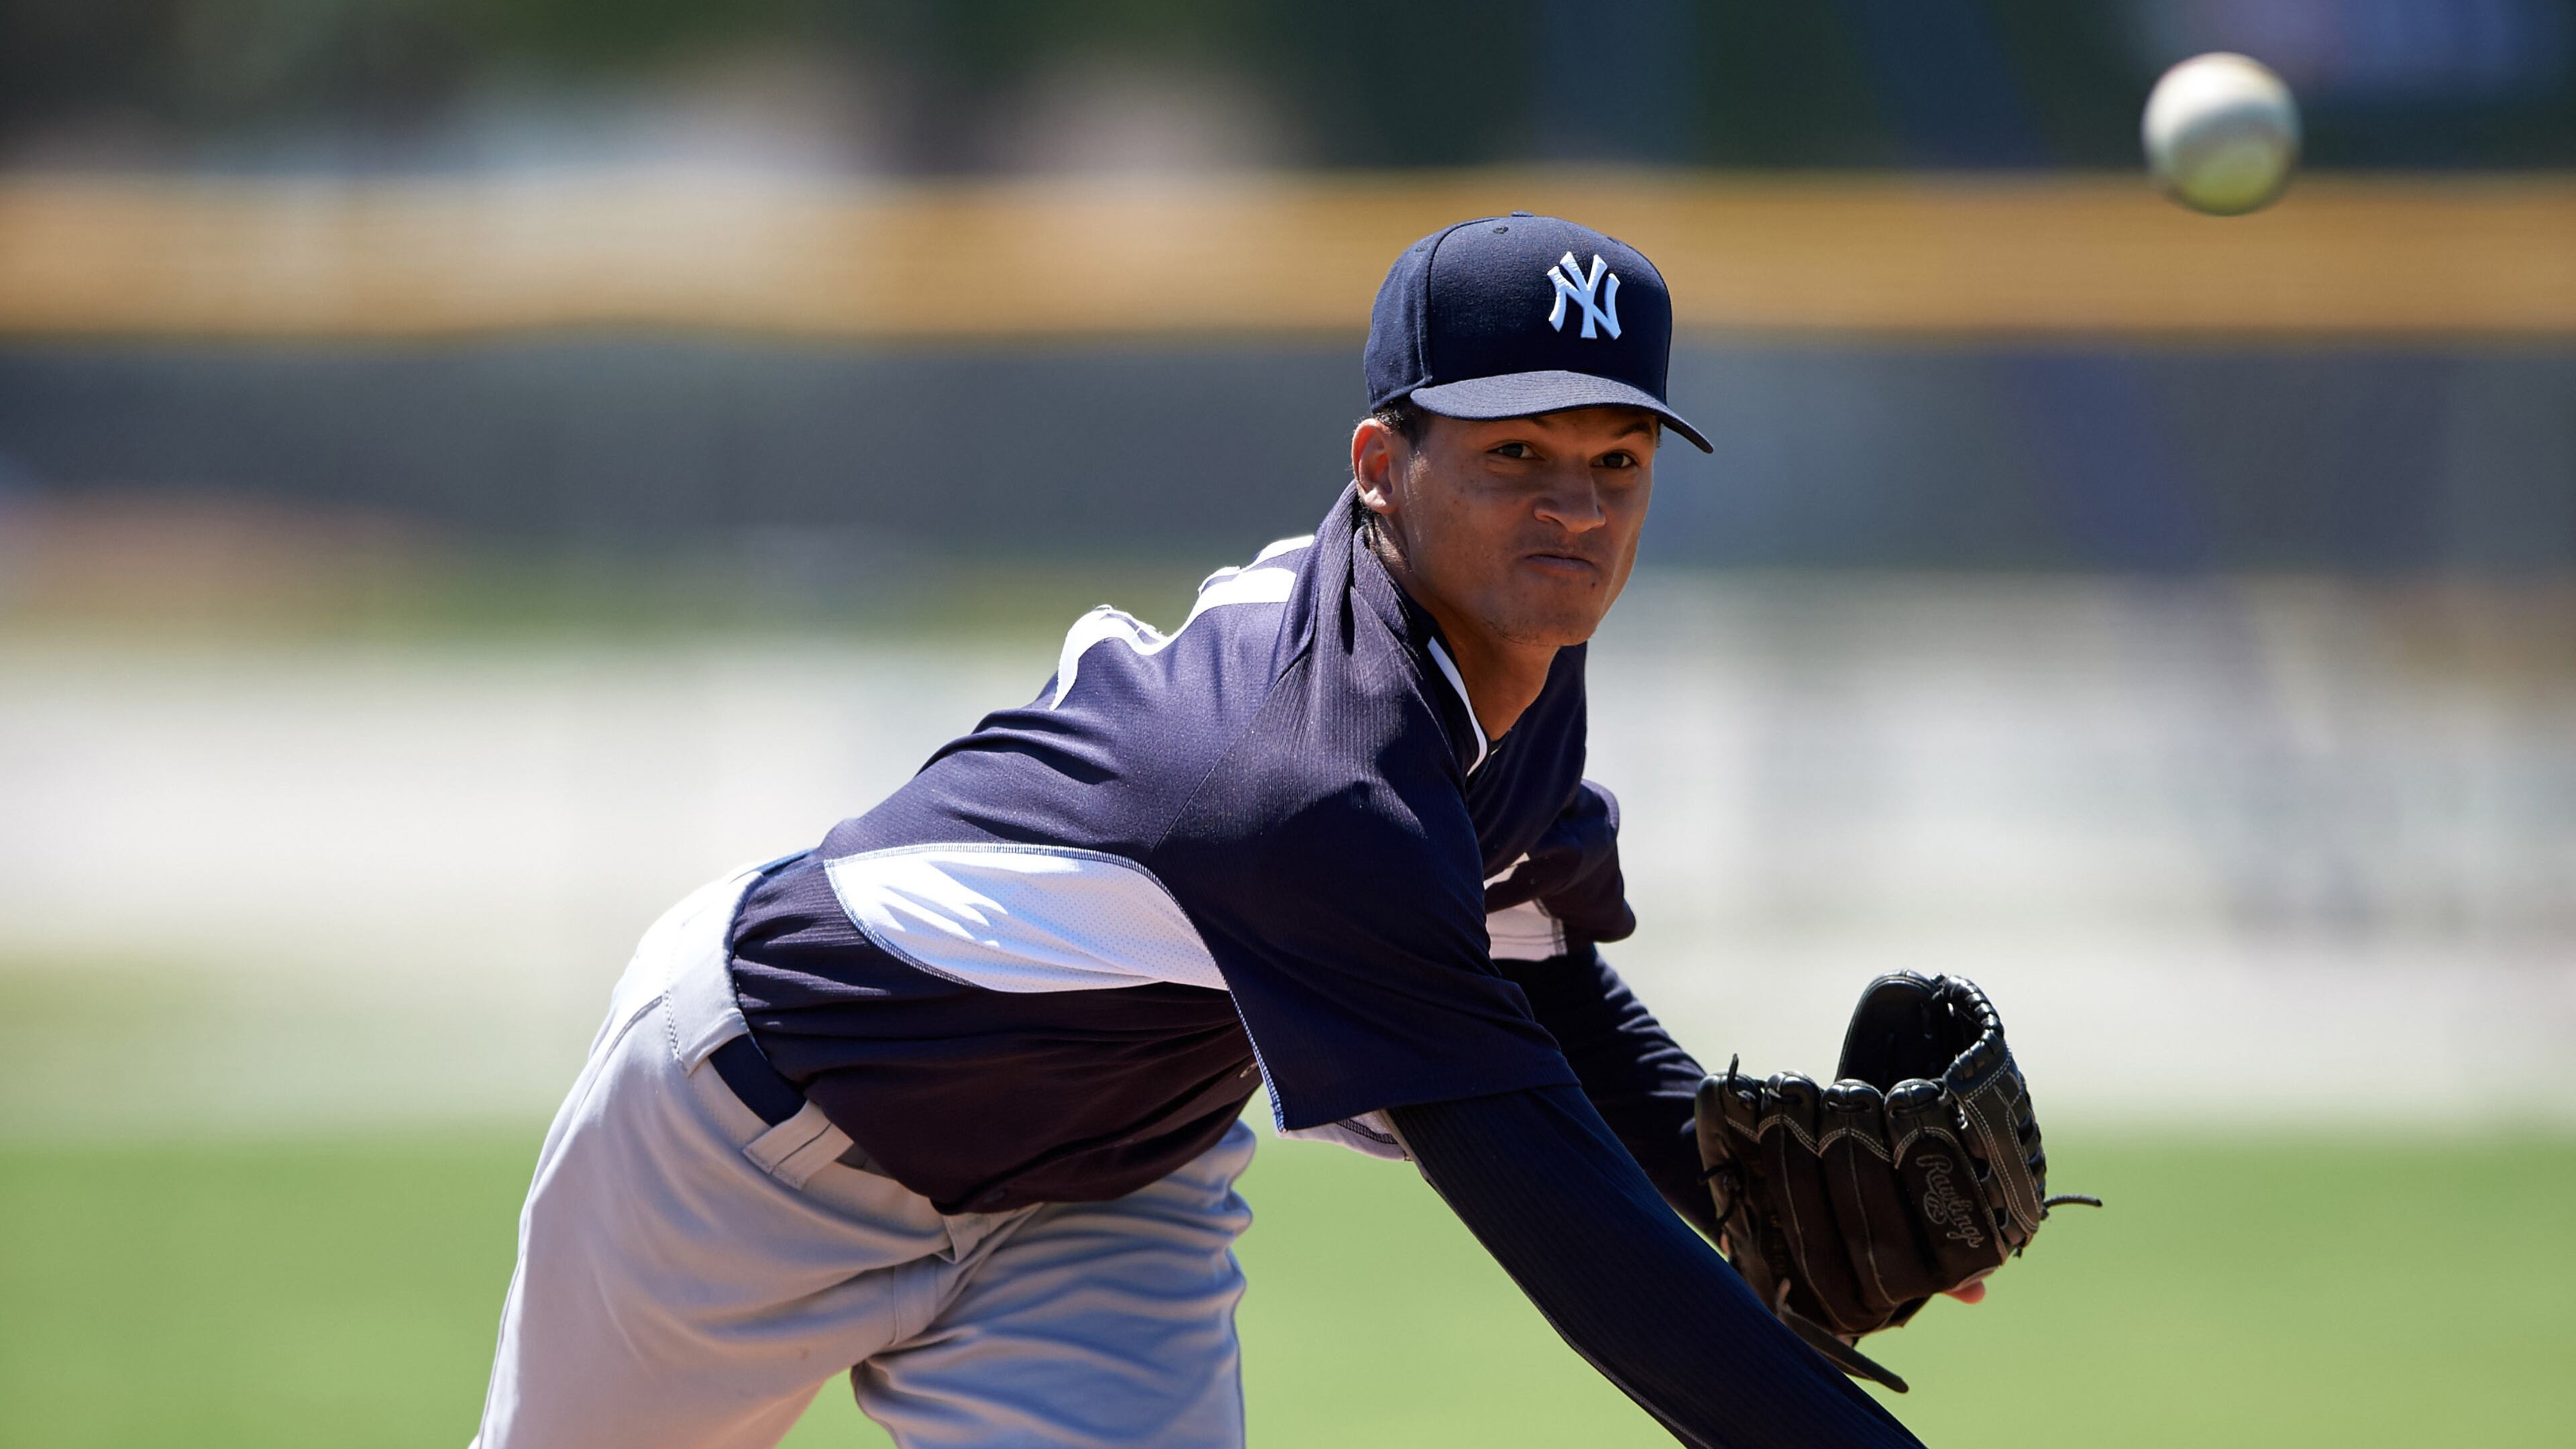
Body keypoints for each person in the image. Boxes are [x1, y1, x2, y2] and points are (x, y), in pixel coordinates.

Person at [473, 213, 1928, 1449]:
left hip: (1106, 1186)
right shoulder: (1304, 784)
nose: (1575, 508)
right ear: (1382, 460)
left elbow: (1544, 983)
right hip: (753, 1135)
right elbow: (1555, 1213)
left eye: (1619, 460)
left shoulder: (1506, 649)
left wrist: (1751, 1199)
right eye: (1517, 454)